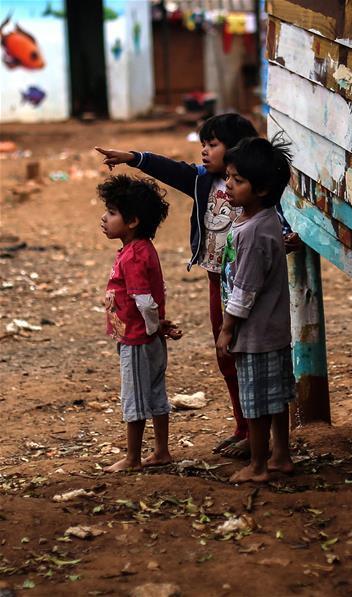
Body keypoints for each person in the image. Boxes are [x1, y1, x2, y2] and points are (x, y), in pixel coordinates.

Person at [94, 114, 297, 459]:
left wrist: (287, 238)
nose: (204, 151)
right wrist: (132, 157)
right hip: (219, 281)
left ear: (235, 150)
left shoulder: (252, 188)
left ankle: (258, 435)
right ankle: (244, 426)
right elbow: (170, 169)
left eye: (212, 144)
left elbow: (276, 221)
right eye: (203, 144)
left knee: (245, 354)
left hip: (248, 288)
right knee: (228, 356)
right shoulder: (204, 182)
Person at [215, 135, 294, 483]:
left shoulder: (253, 231)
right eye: (229, 177)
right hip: (270, 329)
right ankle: (281, 456)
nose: (228, 185)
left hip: (255, 333)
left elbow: (245, 289)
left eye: (238, 180)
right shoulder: (261, 221)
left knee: (258, 404)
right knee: (275, 398)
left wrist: (228, 327)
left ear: (261, 189)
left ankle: (259, 465)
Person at [98, 175, 181, 472]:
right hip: (149, 337)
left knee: (134, 398)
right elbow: (158, 290)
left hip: (137, 339)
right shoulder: (144, 248)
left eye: (111, 212)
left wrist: (151, 327)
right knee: (157, 392)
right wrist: (157, 326)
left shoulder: (133, 256)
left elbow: (143, 299)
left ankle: (133, 458)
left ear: (132, 221)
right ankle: (161, 451)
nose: (104, 218)